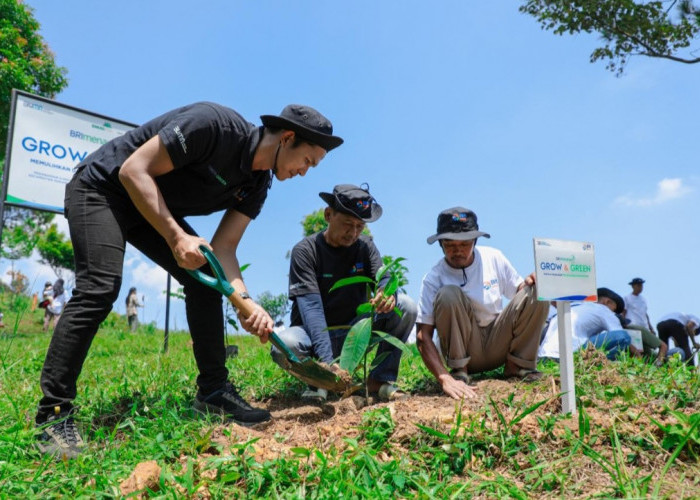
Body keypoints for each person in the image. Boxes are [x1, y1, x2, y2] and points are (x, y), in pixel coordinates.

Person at [35, 102, 343, 459]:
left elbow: (224, 249)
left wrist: (246, 304)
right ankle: (53, 415)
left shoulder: (257, 185)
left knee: (205, 279)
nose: (306, 172)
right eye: (308, 161)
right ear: (288, 138)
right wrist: (175, 237)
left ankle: (214, 395)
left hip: (147, 207)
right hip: (102, 187)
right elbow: (133, 171)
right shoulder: (213, 127)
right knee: (100, 287)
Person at [272, 184, 417, 402]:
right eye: (348, 224)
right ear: (328, 215)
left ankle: (379, 381)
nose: (353, 233)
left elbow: (383, 276)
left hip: (354, 333)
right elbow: (311, 309)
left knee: (405, 306)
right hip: (313, 336)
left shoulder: (366, 246)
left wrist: (386, 293)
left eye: (360, 226)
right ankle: (318, 381)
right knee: (285, 345)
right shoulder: (305, 251)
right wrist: (327, 362)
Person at [415, 207, 549, 401]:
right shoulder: (433, 278)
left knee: (537, 290)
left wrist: (534, 282)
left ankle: (518, 366)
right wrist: (444, 379)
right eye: (450, 245)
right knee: (448, 294)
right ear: (441, 245)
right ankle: (459, 371)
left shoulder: (493, 258)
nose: (458, 251)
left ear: (475, 241)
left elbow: (521, 293)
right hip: (465, 348)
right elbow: (422, 336)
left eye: (465, 244)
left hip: (498, 342)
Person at [539, 287, 632, 361]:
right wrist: (637, 354)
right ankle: (603, 364)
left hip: (544, 356)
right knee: (623, 336)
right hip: (569, 355)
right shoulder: (603, 309)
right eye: (614, 310)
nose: (614, 314)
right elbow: (619, 334)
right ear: (606, 302)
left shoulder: (573, 307)